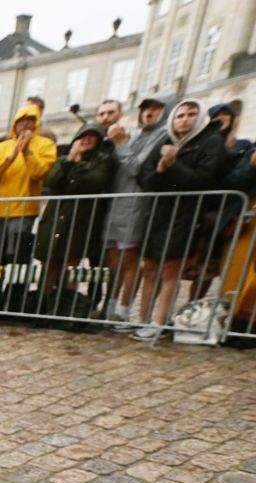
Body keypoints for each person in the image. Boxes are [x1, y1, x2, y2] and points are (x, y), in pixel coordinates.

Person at [133, 98, 226, 341]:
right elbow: (145, 178)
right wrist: (162, 168)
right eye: (180, 115)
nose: (184, 120)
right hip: (157, 211)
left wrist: (172, 166)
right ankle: (142, 319)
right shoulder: (165, 140)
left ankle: (159, 322)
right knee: (149, 267)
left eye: (190, 114)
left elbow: (203, 180)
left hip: (185, 214)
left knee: (170, 270)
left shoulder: (210, 141)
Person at [101, 95, 172, 328]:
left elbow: (137, 169)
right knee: (113, 261)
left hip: (135, 206)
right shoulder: (138, 135)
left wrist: (121, 144)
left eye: (155, 109)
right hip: (117, 204)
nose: (148, 113)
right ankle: (110, 307)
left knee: (129, 261)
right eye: (145, 109)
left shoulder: (163, 136)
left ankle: (123, 311)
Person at [34, 123, 118, 296]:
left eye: (91, 136)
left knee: (70, 266)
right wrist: (69, 161)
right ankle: (43, 303)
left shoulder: (102, 160)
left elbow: (94, 181)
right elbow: (52, 181)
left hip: (79, 218)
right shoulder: (63, 159)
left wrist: (77, 165)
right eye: (83, 136)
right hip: (55, 216)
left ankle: (66, 303)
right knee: (49, 264)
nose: (86, 140)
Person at [0, 103, 57, 270]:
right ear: (14, 124)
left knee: (15, 256)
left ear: (36, 123)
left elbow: (40, 173)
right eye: (21, 120)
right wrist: (10, 158)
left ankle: (14, 286)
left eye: (30, 119)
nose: (25, 123)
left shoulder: (46, 145)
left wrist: (26, 151)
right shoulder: (1, 147)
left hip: (24, 211)